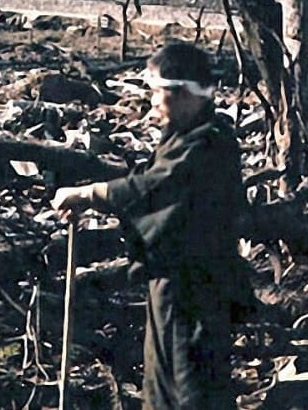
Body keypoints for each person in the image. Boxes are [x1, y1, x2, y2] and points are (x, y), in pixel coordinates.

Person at [52, 41, 253, 410]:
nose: (153, 103)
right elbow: (149, 181)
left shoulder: (207, 144)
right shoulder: (190, 134)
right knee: (162, 384)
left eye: (158, 93)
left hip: (195, 287)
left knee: (189, 387)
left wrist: (90, 193)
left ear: (185, 94)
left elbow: (155, 186)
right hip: (175, 283)